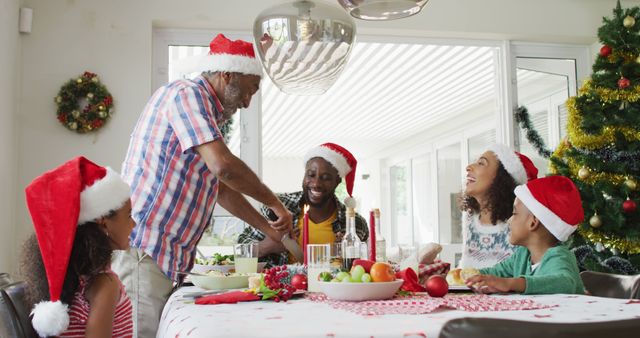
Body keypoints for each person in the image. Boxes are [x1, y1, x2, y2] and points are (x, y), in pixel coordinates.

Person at [115, 33, 292, 337]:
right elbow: (224, 167)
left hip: (162, 257)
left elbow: (220, 188)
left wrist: (267, 228)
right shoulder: (187, 94)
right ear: (227, 75)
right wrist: (274, 203)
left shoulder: (207, 117)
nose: (248, 102)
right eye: (249, 90)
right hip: (145, 251)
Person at [21, 156, 134, 337]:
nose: (133, 224)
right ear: (104, 223)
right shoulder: (105, 285)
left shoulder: (77, 280)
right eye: (129, 215)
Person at [238, 143, 368, 267]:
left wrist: (347, 253)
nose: (316, 183)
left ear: (337, 182)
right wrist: (267, 246)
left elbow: (361, 267)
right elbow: (240, 249)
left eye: (326, 177)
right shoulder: (279, 208)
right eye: (311, 175)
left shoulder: (354, 223)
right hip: (281, 288)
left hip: (330, 288)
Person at [465, 176, 585, 295]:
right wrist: (459, 275)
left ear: (533, 222)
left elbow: (565, 283)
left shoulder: (558, 256)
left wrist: (510, 284)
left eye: (514, 213)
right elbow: (493, 274)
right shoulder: (522, 255)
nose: (509, 220)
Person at [459, 144, 538, 269]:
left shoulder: (520, 225)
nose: (468, 167)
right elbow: (464, 269)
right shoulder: (469, 218)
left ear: (501, 178)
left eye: (481, 163)